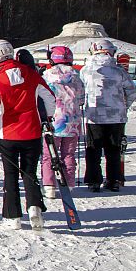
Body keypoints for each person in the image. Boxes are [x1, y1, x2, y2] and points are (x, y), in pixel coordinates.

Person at [0, 39, 56, 230]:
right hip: (32, 131)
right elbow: (49, 97)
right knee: (29, 171)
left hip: (7, 133)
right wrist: (48, 117)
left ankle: (13, 216)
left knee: (10, 174)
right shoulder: (30, 72)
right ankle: (35, 207)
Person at [80, 39, 136, 192]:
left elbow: (80, 91)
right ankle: (113, 180)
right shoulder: (119, 71)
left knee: (93, 149)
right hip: (116, 117)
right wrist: (123, 106)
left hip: (94, 116)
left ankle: (93, 181)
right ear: (110, 52)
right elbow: (132, 91)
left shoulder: (86, 70)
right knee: (113, 150)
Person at [42, 45, 84, 199]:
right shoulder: (76, 77)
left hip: (52, 120)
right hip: (72, 121)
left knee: (49, 155)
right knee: (69, 154)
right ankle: (69, 184)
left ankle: (50, 186)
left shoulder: (46, 76)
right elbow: (81, 99)